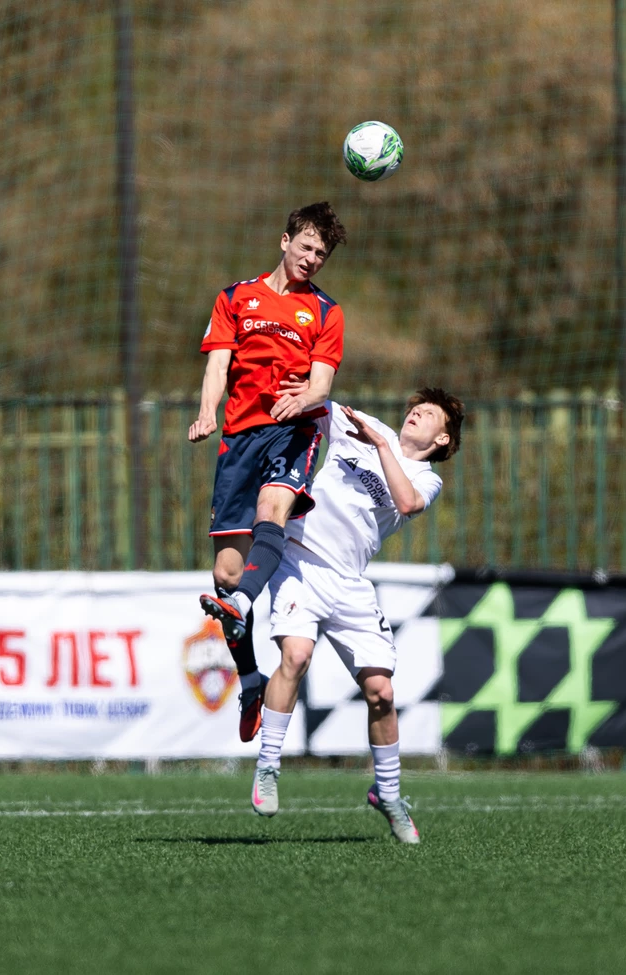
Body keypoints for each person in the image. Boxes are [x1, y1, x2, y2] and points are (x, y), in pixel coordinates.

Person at [250, 388, 465, 843]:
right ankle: (268, 766)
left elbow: (406, 503)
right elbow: (314, 404)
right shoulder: (364, 427)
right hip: (298, 561)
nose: (415, 413)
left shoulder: (426, 478)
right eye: (414, 407)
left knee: (381, 692)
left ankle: (388, 793)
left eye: (428, 413)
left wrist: (381, 445)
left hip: (349, 583)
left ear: (443, 438)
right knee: (295, 656)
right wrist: (298, 386)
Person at [188, 202, 348, 742]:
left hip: (293, 430)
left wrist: (305, 398)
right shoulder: (235, 297)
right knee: (227, 574)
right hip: (240, 438)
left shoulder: (326, 312)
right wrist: (207, 412)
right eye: (306, 247)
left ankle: (240, 603)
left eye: (321, 254)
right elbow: (218, 364)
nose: (312, 258)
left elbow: (322, 382)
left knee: (271, 510)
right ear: (285, 241)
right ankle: (251, 679)